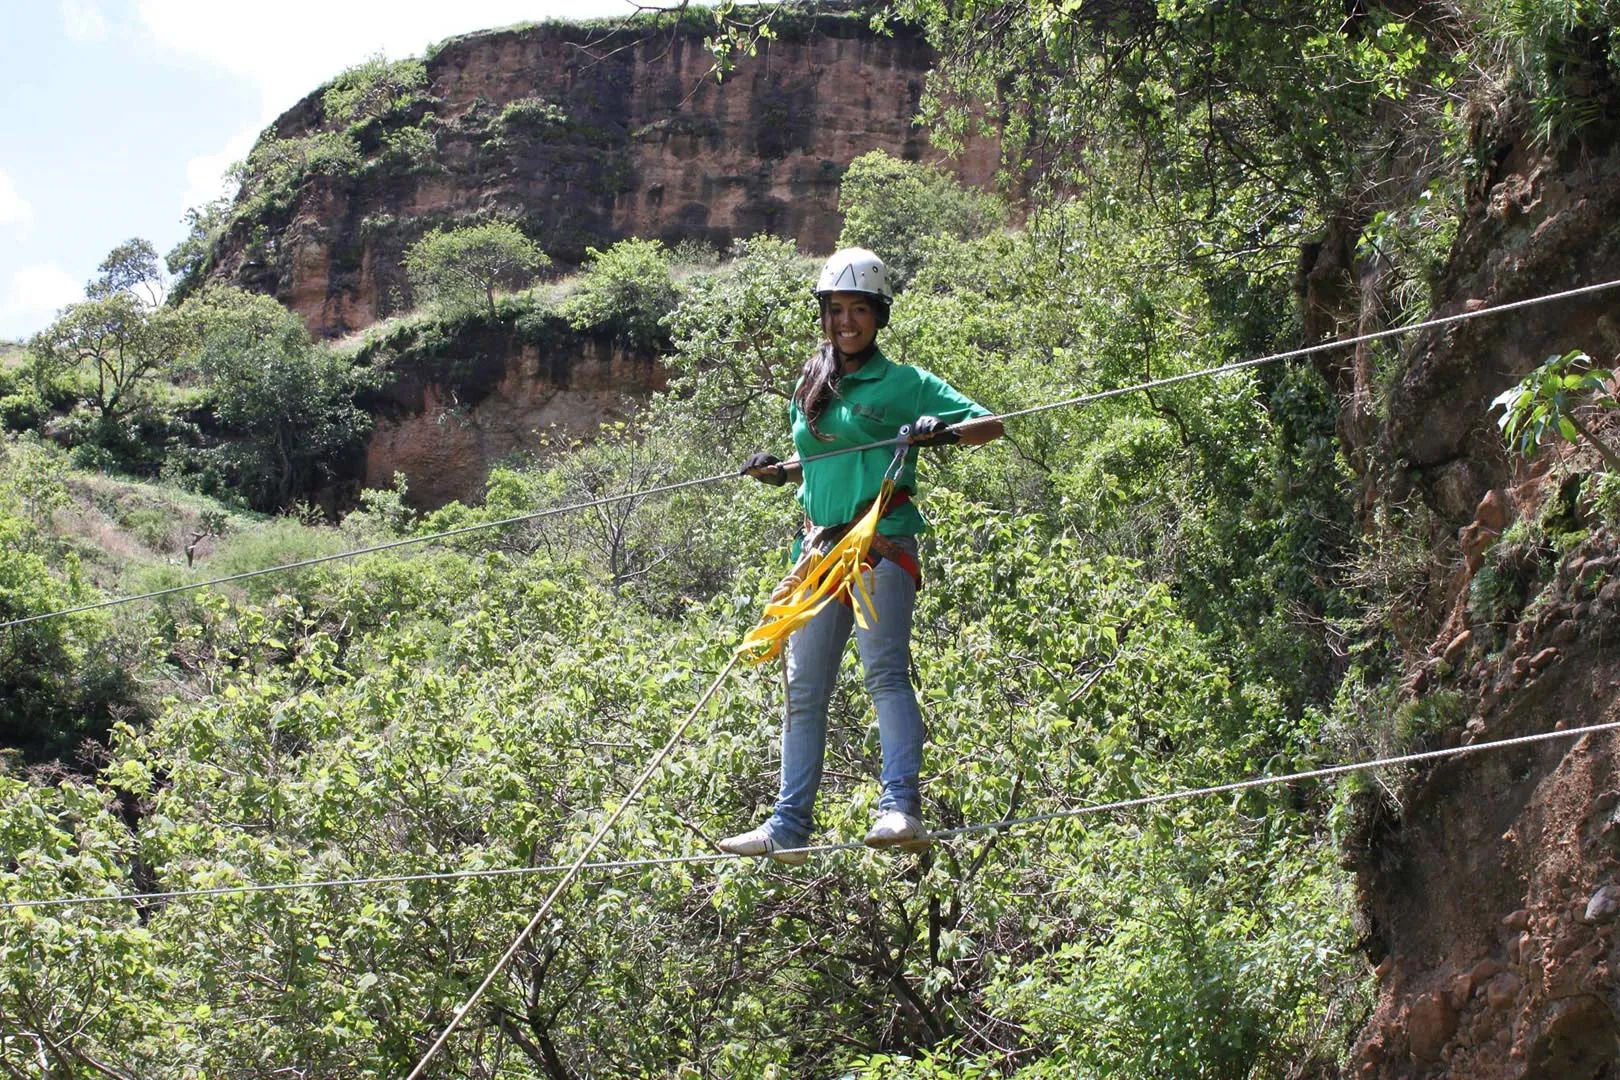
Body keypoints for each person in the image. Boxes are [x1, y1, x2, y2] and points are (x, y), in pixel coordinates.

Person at [718, 248, 1004, 865]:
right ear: (824, 315)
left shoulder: (904, 382)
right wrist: (780, 470)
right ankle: (788, 825)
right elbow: (823, 459)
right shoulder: (811, 383)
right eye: (836, 310)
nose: (846, 321)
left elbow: (991, 424)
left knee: (884, 675)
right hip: (819, 548)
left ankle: (899, 807)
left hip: (880, 542)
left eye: (859, 310)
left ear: (879, 316)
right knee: (803, 685)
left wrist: (942, 429)